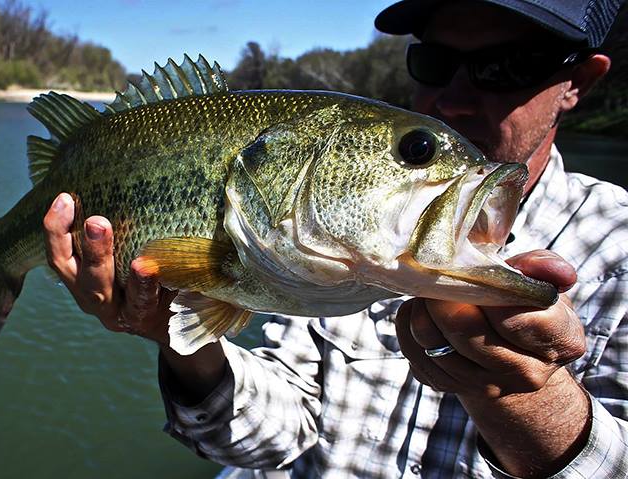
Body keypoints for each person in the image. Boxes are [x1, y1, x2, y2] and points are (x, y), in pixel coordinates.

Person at [43, 0, 628, 477]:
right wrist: (177, 340)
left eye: (505, 69)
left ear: (578, 82)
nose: (452, 97)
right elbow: (275, 438)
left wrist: (529, 404)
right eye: (433, 62)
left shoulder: (618, 246)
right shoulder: (315, 253)